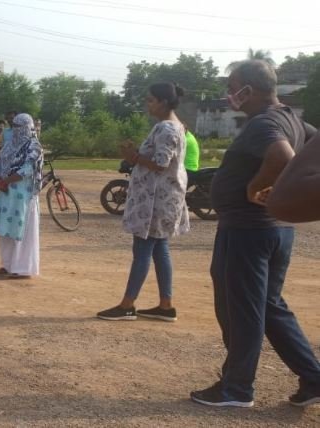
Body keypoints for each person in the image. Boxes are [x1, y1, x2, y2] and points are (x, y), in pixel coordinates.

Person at [192, 60, 320, 409]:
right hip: (275, 231)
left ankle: (236, 389)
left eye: (232, 85)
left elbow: (282, 155)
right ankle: (314, 378)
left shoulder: (265, 122)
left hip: (247, 230)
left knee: (241, 311)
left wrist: (257, 185)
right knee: (269, 307)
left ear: (249, 88)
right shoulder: (294, 120)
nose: (229, 93)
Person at [97, 83, 190, 322]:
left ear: (163, 102)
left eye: (150, 100)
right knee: (160, 249)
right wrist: (137, 155)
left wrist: (134, 157)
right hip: (163, 197)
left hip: (155, 201)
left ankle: (128, 305)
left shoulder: (167, 129)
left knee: (142, 250)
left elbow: (160, 162)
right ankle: (165, 305)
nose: (147, 105)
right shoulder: (174, 126)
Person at [0, 113, 43, 278]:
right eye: (14, 127)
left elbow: (27, 170)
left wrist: (6, 181)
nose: (17, 130)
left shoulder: (34, 147)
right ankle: (7, 264)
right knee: (5, 229)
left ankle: (21, 267)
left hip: (23, 195)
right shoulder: (9, 145)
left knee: (22, 231)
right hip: (6, 194)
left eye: (20, 127)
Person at [267, 132, 320, 222]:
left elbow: (284, 200)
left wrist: (254, 188)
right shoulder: (298, 125)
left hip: (255, 223)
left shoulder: (267, 124)